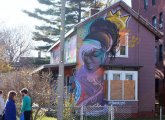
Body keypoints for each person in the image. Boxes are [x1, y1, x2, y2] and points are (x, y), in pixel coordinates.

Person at [74, 18, 119, 106]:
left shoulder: (103, 74)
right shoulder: (81, 73)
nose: (87, 59)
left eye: (94, 54)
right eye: (85, 54)